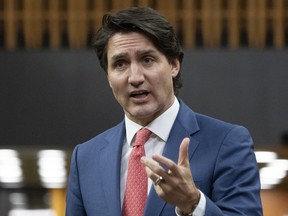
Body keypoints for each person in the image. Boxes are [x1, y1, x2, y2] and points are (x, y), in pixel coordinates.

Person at [66, 7, 262, 216]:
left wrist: (193, 204)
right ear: (108, 77)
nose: (135, 77)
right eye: (120, 64)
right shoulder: (85, 157)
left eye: (147, 60)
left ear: (174, 64)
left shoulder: (227, 142)